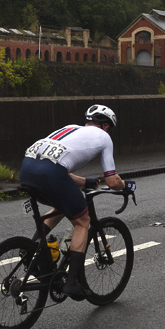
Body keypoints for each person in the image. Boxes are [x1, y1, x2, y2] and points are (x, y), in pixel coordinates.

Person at [19, 105, 129, 301]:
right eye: (109, 129)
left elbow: (55, 166)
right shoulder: (104, 137)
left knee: (63, 206)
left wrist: (85, 182)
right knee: (83, 222)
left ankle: (30, 249)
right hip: (51, 174)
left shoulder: (70, 129)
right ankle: (71, 283)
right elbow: (112, 181)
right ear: (106, 126)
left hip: (26, 169)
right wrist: (125, 185)